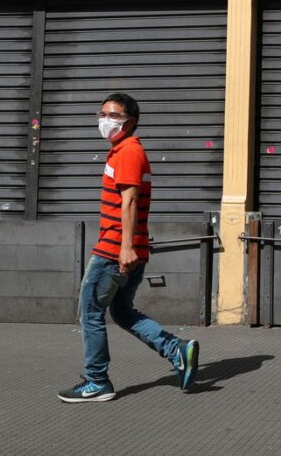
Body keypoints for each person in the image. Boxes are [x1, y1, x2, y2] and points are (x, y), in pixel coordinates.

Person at [58, 93, 198, 403]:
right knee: (121, 311)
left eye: (114, 115)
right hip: (128, 247)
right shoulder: (122, 151)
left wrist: (125, 248)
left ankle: (97, 381)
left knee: (90, 312)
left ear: (130, 121)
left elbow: (130, 201)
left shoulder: (129, 152)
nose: (105, 120)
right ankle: (176, 349)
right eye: (102, 114)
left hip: (114, 250)